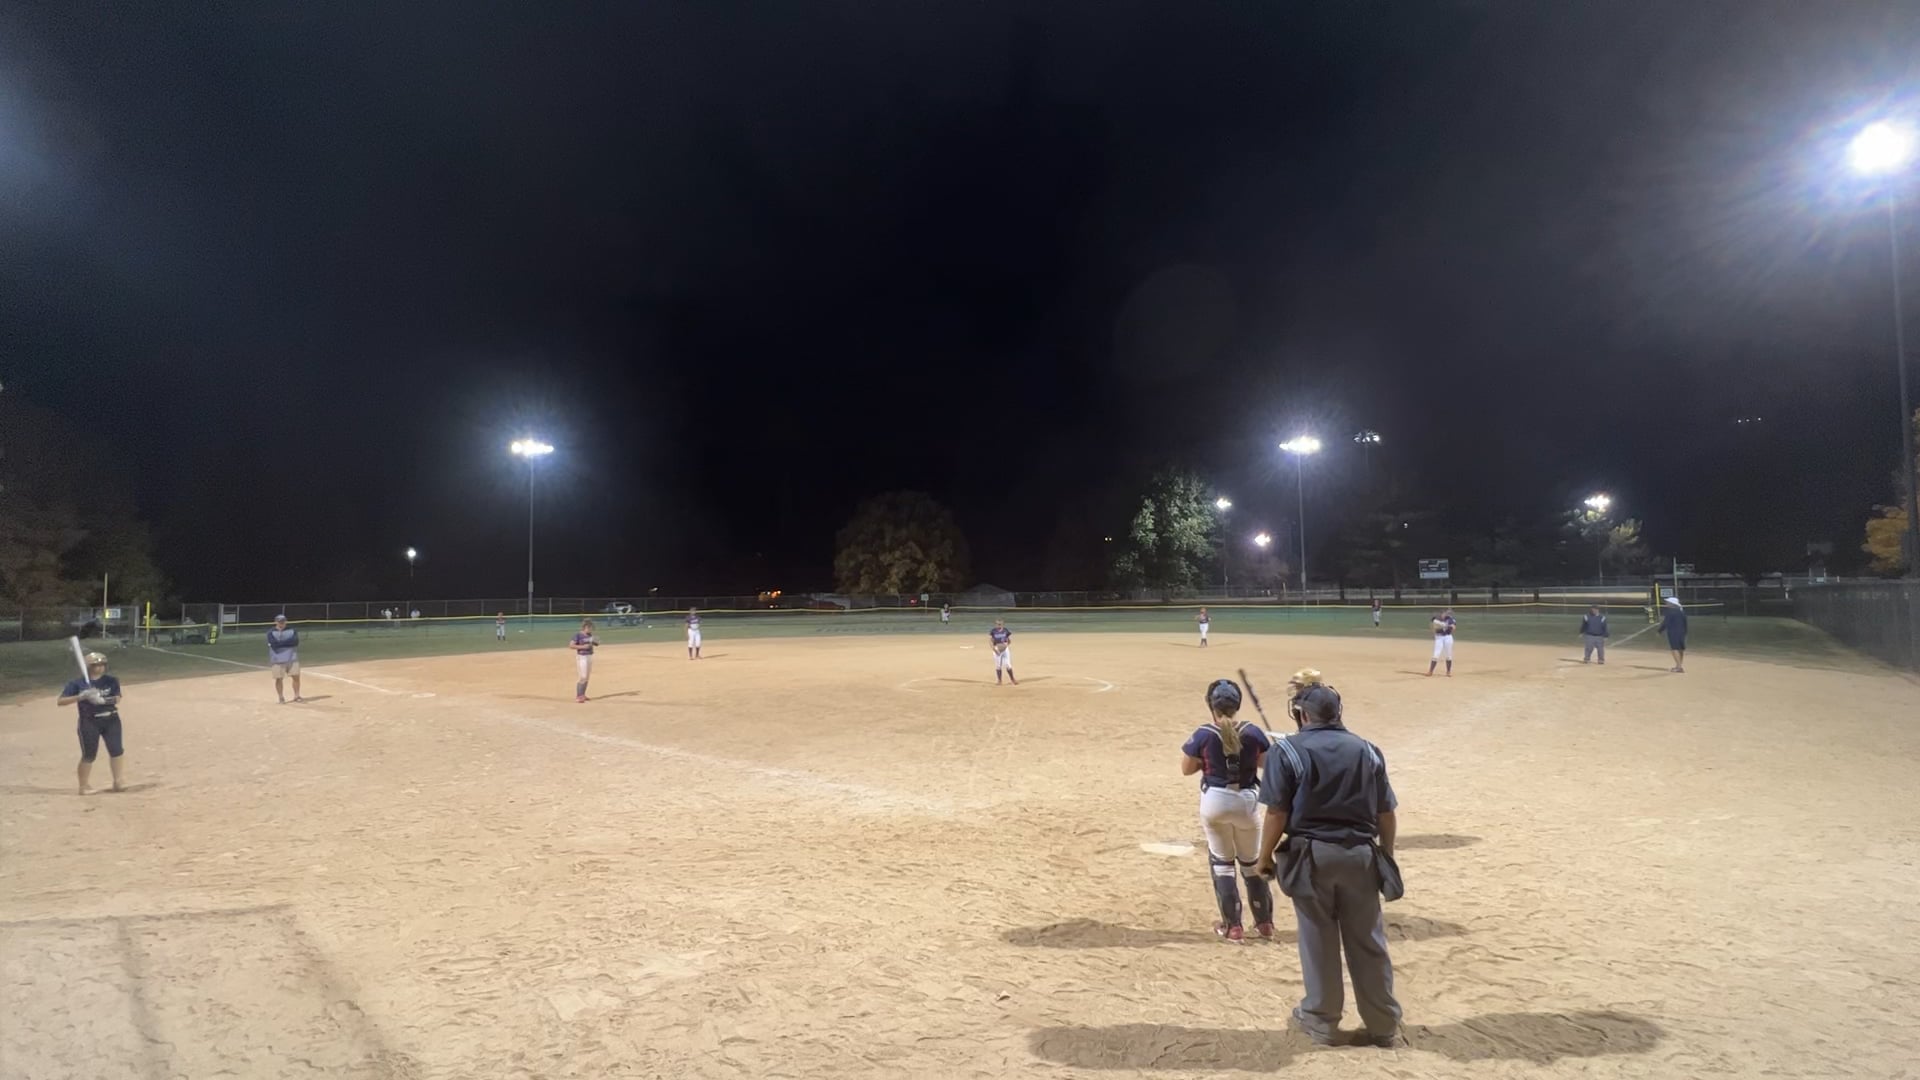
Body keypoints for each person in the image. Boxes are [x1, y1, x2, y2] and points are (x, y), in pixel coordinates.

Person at [1256, 680, 1402, 1048]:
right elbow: (1386, 812)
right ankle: (1383, 1023)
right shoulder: (1368, 750)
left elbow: (1276, 813)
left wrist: (1264, 856)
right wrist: (1385, 854)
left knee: (1318, 939)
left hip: (1312, 857)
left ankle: (1321, 1020)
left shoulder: (1286, 751)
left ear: (1302, 715)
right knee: (1368, 940)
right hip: (1361, 854)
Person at [1182, 679, 1275, 941]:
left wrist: (1207, 762)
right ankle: (1265, 923)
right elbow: (1267, 764)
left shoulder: (1203, 734)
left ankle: (1232, 927)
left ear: (1211, 705)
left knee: (1222, 863)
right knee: (1251, 863)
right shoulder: (1253, 732)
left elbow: (1186, 769)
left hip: (1215, 802)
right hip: (1247, 802)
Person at [58, 651, 127, 795]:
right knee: (89, 755)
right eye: (96, 665)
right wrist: (80, 696)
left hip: (111, 720)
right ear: (88, 666)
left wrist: (102, 700)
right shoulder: (77, 683)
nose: (100, 667)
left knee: (116, 750)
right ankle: (83, 786)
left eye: (102, 664)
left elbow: (117, 698)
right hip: (89, 722)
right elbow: (61, 701)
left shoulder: (111, 680)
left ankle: (118, 781)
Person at [268, 615, 303, 703]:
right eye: (280, 621)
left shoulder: (292, 630)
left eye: (283, 621)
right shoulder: (271, 632)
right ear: (276, 622)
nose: (282, 623)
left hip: (292, 658)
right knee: (279, 678)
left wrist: (280, 643)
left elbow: (295, 642)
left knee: (296, 677)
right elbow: (274, 645)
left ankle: (297, 695)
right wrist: (288, 643)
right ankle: (281, 697)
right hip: (277, 659)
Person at [570, 619, 598, 702]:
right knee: (583, 676)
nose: (591, 630)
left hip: (589, 656)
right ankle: (578, 696)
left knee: (587, 677)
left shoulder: (590, 635)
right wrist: (583, 647)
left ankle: (583, 695)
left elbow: (595, 643)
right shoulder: (578, 635)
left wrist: (595, 642)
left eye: (591, 628)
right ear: (585, 627)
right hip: (582, 657)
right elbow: (571, 645)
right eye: (589, 628)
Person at [1660, 596, 1689, 673]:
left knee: (1674, 649)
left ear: (1672, 604)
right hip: (1682, 632)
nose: (1666, 603)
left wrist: (1659, 631)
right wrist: (1685, 632)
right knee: (1680, 649)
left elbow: (1666, 623)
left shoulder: (1670, 612)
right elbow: (1685, 623)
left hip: (1673, 632)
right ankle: (1679, 665)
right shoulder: (1681, 611)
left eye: (1668, 602)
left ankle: (1679, 667)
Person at [1425, 608, 1455, 677]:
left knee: (1448, 655)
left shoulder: (1450, 619)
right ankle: (1430, 671)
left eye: (1445, 613)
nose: (1444, 615)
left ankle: (1448, 672)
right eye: (1443, 613)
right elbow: (1433, 624)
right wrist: (1439, 627)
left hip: (1448, 637)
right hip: (1439, 637)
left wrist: (1448, 626)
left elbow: (1453, 627)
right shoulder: (1436, 619)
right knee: (1436, 654)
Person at [989, 618, 1016, 685]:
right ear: (995, 624)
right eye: (997, 624)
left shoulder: (1005, 630)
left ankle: (1012, 679)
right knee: (998, 665)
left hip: (1005, 649)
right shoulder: (993, 631)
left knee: (1008, 665)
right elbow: (991, 641)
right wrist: (994, 650)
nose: (999, 625)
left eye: (1000, 624)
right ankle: (999, 680)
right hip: (997, 649)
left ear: (1002, 624)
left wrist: (1006, 645)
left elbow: (1009, 640)